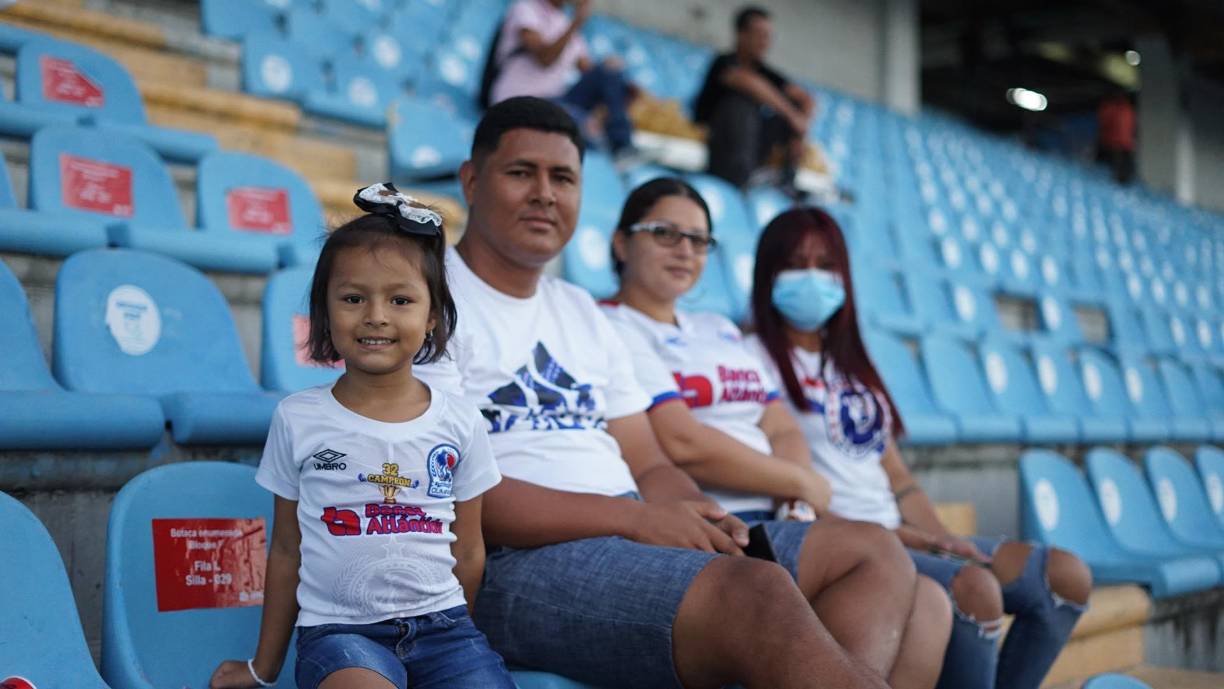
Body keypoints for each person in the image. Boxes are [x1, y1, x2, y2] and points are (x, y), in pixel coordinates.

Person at [414, 95, 906, 689]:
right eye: (522, 172)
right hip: (513, 562)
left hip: (624, 531)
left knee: (873, 552)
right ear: (471, 180)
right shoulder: (424, 301)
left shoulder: (580, 311)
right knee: (757, 590)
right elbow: (455, 491)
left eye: (563, 178)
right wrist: (636, 520)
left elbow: (646, 458)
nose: (545, 193)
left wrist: (697, 515)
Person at [600, 176, 952, 689]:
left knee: (934, 606)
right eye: (665, 233)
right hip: (720, 517)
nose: (684, 250)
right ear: (619, 242)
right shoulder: (610, 324)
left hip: (778, 513)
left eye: (698, 240)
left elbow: (780, 425)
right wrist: (803, 484)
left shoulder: (717, 329)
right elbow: (682, 442)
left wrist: (795, 491)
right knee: (876, 550)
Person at [745, 206, 1095, 689]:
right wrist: (914, 539)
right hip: (849, 545)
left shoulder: (851, 365)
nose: (812, 277)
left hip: (902, 532)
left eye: (825, 265)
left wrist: (940, 536)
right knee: (976, 589)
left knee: (1065, 576)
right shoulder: (750, 360)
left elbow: (898, 477)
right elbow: (792, 499)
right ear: (768, 274)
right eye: (796, 263)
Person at [209, 185, 515, 689]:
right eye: (353, 298)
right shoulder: (297, 418)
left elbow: (470, 552)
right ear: (324, 313)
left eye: (400, 299)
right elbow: (287, 551)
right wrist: (263, 669)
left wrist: (460, 654)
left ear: (432, 316)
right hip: (340, 635)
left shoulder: (461, 422)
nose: (376, 315)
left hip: (447, 630)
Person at [489, 0, 636, 158]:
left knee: (610, 72)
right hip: (520, 102)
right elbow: (545, 59)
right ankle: (602, 139)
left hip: (557, 99)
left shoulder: (563, 21)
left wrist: (620, 87)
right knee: (579, 127)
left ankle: (622, 144)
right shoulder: (526, 9)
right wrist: (576, 23)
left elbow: (590, 71)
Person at [693, 5, 814, 192]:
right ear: (741, 34)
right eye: (760, 34)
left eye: (768, 36)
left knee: (790, 114)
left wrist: (800, 131)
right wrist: (792, 115)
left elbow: (805, 99)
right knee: (740, 105)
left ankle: (786, 180)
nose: (765, 42)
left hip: (751, 147)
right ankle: (740, 177)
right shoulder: (724, 62)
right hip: (719, 146)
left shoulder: (765, 71)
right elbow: (747, 82)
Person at [1096, 91, 1135, 184]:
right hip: (1117, 144)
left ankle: (1120, 183)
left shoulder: (1121, 108)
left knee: (1121, 167)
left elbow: (1104, 123)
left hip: (1119, 143)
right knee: (1114, 168)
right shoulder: (1126, 108)